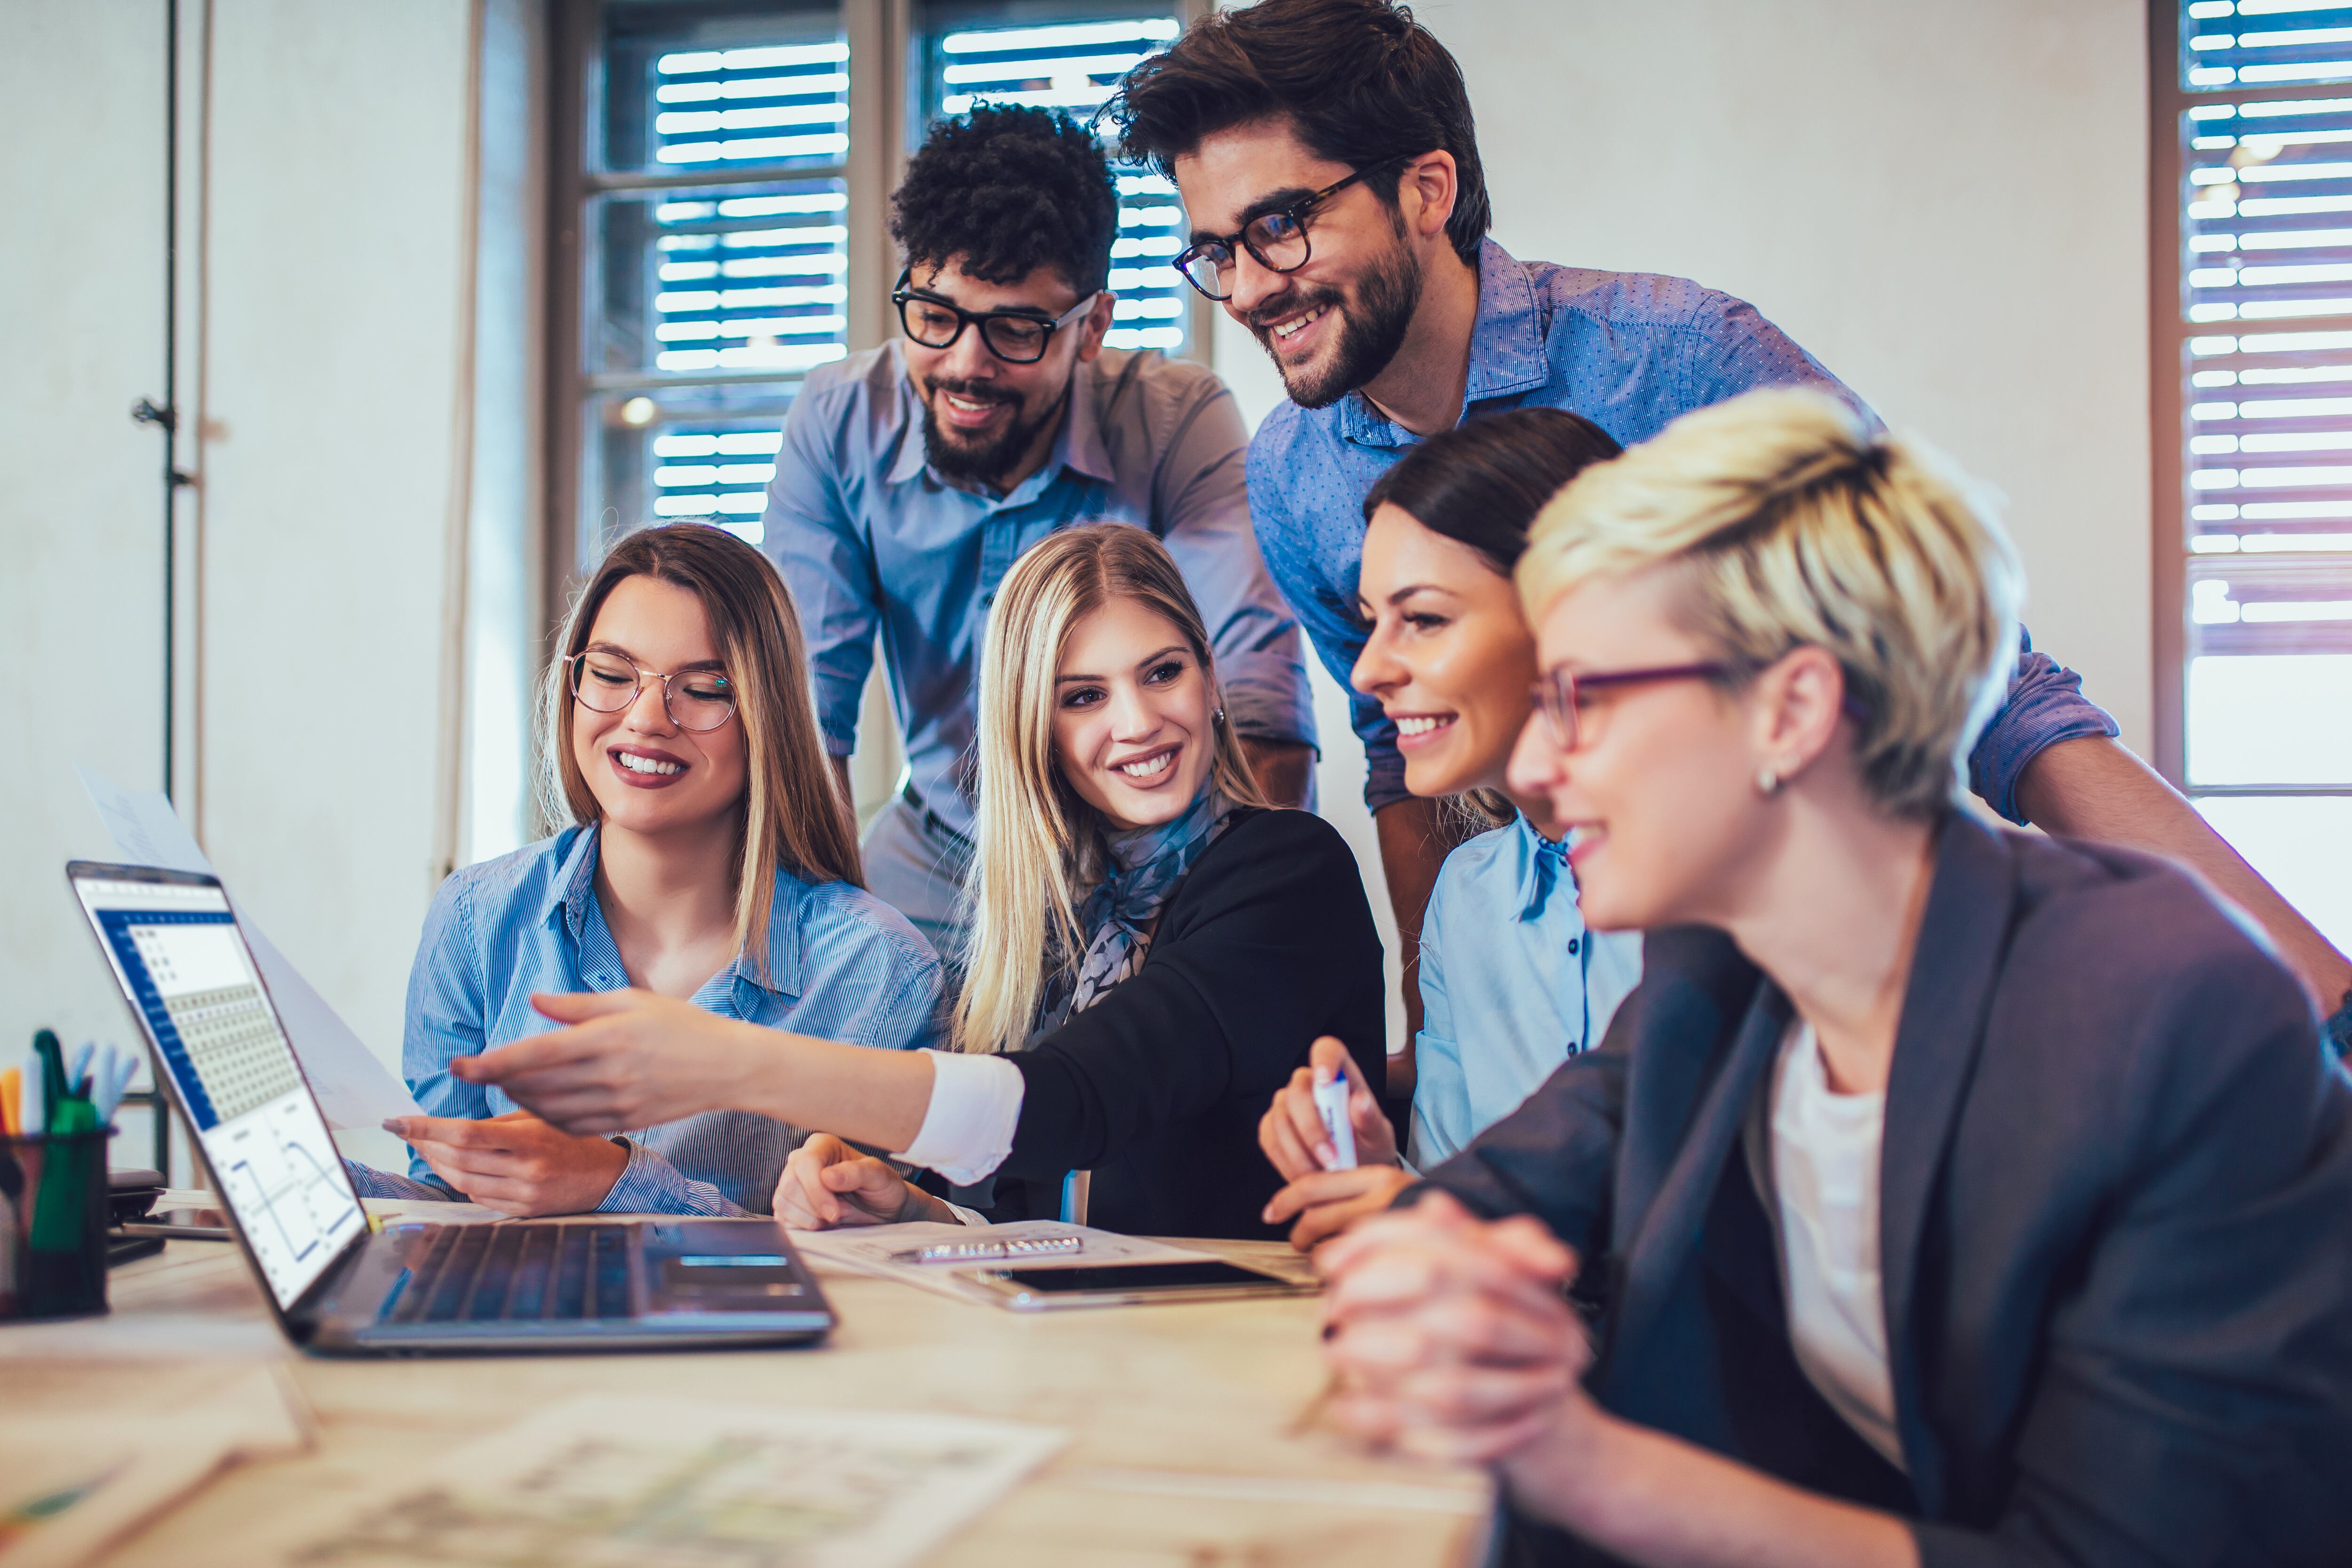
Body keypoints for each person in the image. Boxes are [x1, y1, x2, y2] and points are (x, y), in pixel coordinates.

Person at [1104, 0, 2352, 1082]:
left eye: (1281, 225)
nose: (1249, 287)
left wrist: (2309, 992)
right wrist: (1449, 1056)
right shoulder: (1296, 474)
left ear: (1425, 190)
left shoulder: (1679, 358)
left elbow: (1990, 692)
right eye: (1214, 251)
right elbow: (1409, 769)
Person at [1311, 390, 2352, 1566]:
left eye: (1582, 697)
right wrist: (1427, 1267)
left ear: (1791, 710)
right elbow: (1495, 1192)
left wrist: (1581, 1461)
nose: (1541, 763)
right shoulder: (1721, 969)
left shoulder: (2170, 1011)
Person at [445, 525, 1386, 1241]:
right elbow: (1045, 1229)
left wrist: (726, 1059)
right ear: (1036, 730)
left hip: (1256, 1358)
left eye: (1162, 672)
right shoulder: (1057, 928)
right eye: (1083, 696)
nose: (1136, 721)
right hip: (1108, 1360)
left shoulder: (1283, 871)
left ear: (1213, 681)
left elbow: (1077, 1100)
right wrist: (912, 1210)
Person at [763, 103, 1316, 967]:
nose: (964, 366)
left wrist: (1233, 928)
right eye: (935, 315)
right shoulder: (838, 423)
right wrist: (838, 942)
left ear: (1092, 326)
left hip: (1137, 846)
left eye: (1015, 331)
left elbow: (1257, 710)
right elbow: (806, 728)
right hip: (940, 846)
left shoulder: (1177, 421)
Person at [345, 523, 943, 1217]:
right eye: (611, 675)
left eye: (705, 688)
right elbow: (451, 1204)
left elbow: (889, 1255)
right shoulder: (476, 918)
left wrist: (616, 1181)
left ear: (767, 717)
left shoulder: (882, 973)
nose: (647, 718)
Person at [1257, 410, 1641, 1250]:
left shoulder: (1726, 882)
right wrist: (1383, 1175)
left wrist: (1437, 1211)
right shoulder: (1465, 897)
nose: (1368, 670)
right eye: (1371, 621)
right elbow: (1457, 1197)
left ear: (1572, 619)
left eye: (1424, 619)